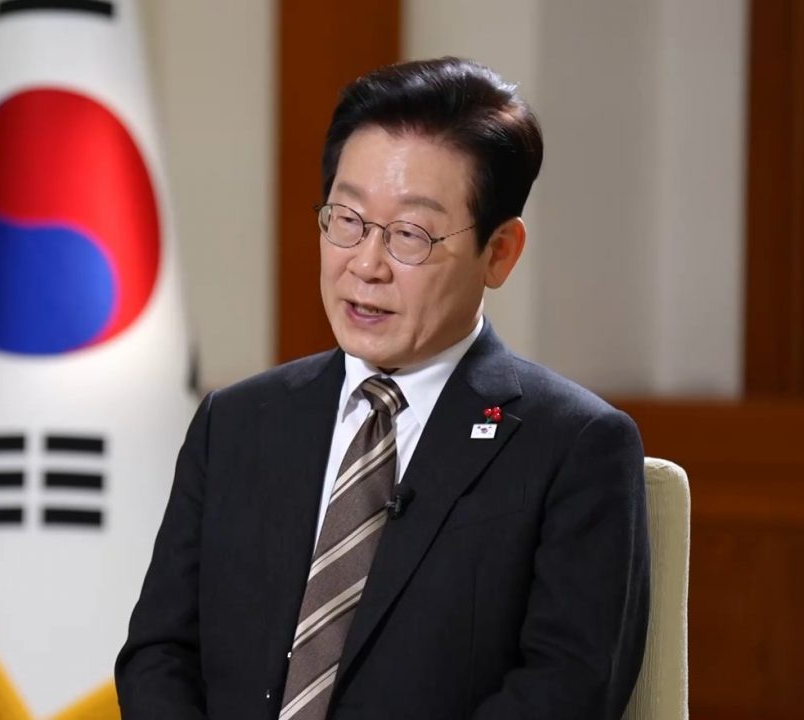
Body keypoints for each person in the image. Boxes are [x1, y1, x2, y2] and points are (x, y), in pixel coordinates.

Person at [115, 57, 649, 720]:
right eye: (347, 219)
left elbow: (564, 691)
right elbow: (160, 652)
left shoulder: (573, 447)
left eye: (410, 235)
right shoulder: (237, 422)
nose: (366, 265)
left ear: (499, 252)